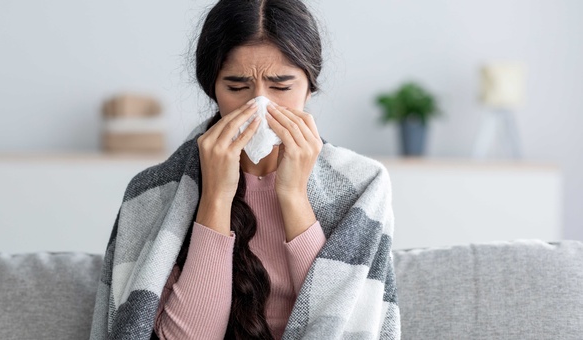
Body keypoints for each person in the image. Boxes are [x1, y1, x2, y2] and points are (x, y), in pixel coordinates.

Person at [90, 1, 400, 339]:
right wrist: (216, 197)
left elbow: (343, 327)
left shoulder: (363, 185)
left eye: (281, 87)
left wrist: (293, 195)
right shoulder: (152, 193)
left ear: (310, 87)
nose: (259, 106)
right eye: (237, 88)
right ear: (213, 90)